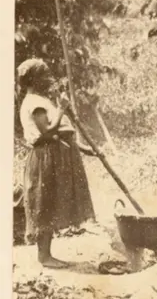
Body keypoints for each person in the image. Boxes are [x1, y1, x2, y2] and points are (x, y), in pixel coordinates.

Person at [18, 59, 98, 269]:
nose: (48, 79)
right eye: (44, 75)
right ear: (34, 79)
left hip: (53, 156)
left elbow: (58, 133)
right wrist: (62, 108)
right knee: (44, 204)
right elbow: (47, 131)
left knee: (50, 203)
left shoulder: (40, 99)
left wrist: (80, 147)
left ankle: (47, 254)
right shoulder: (34, 102)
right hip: (45, 159)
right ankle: (44, 257)